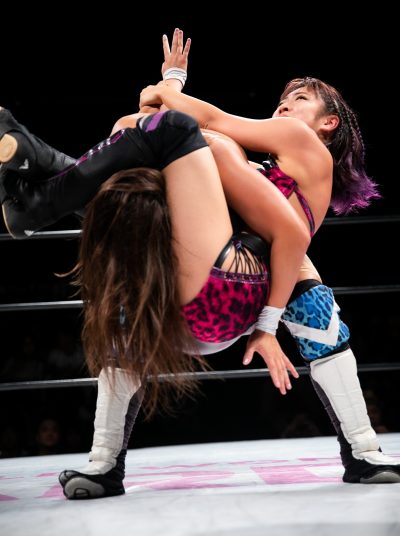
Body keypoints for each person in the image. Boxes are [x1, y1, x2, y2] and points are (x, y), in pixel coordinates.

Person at [1, 31, 399, 498]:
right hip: (219, 304)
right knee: (147, 189)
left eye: (300, 99)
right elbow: (146, 124)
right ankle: (364, 454)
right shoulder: (251, 179)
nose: (285, 105)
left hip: (222, 291)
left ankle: (42, 179)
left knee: (172, 142)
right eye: (283, 98)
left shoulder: (298, 144)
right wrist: (164, 100)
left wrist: (171, 83)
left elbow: (192, 119)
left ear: (329, 122)